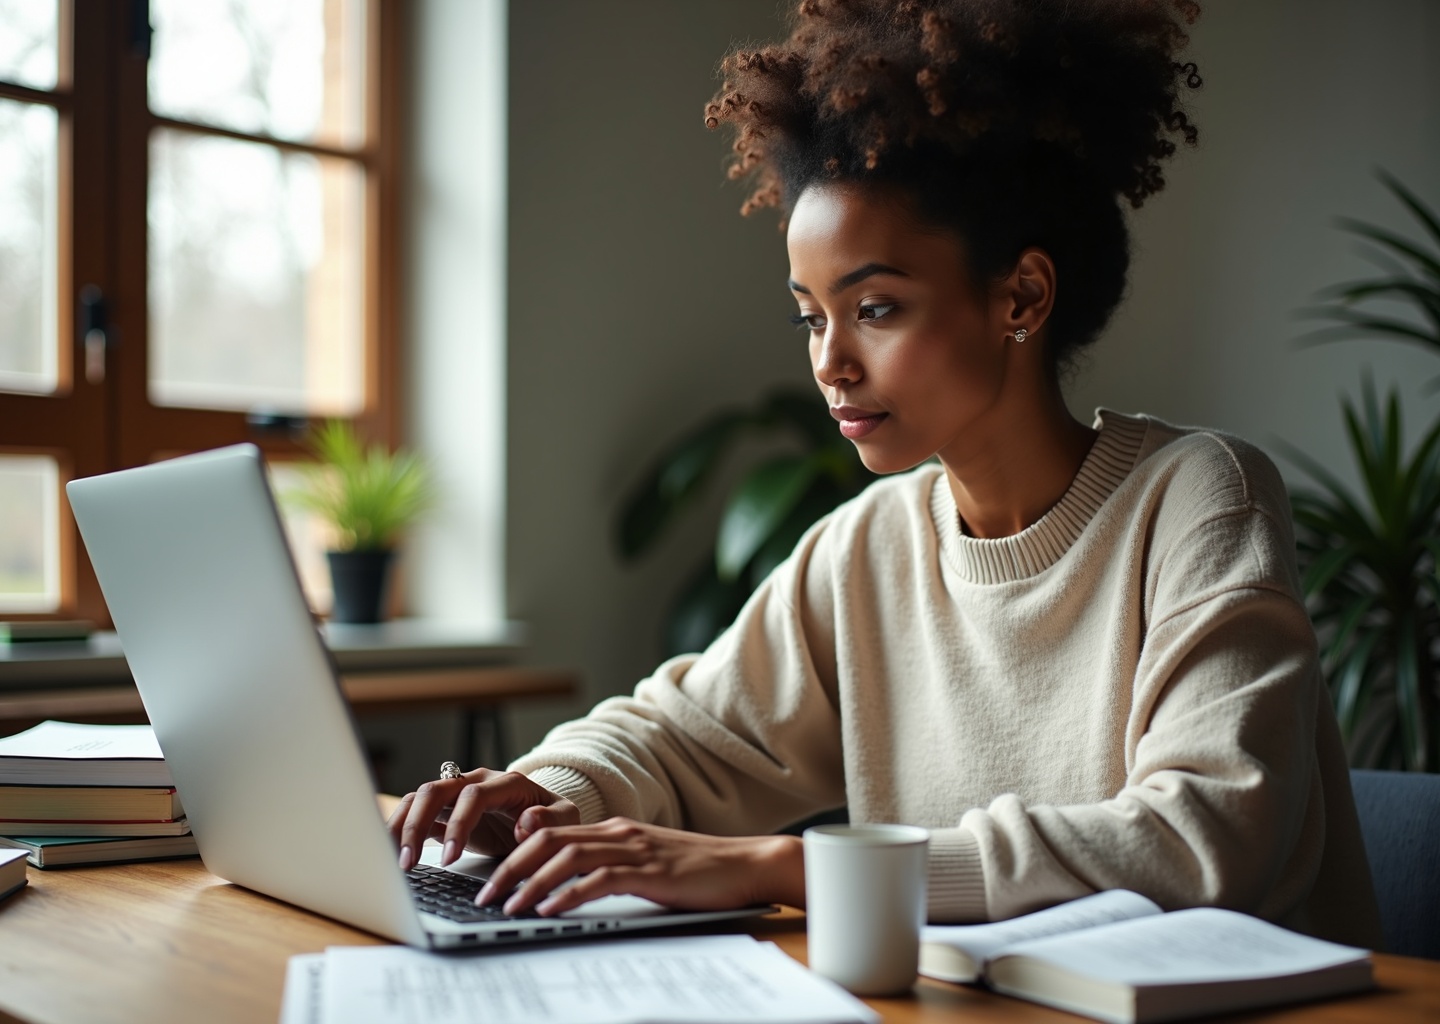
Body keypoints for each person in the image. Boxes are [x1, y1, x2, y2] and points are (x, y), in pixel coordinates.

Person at [389, 0, 1382, 946]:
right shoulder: (867, 545)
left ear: (1022, 297)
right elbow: (680, 733)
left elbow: (1205, 839)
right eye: (810, 315)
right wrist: (545, 790)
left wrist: (783, 868)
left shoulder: (1199, 499)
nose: (829, 362)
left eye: (876, 309)